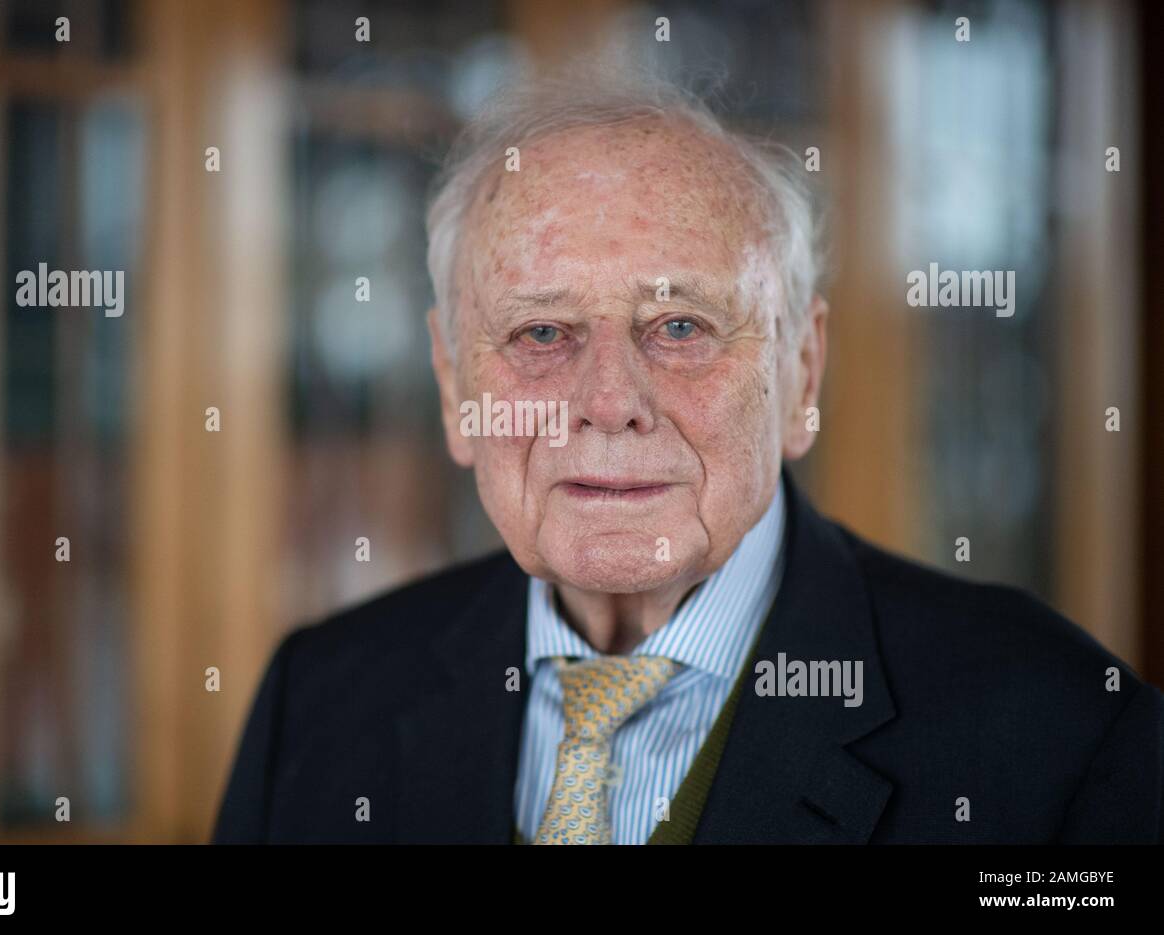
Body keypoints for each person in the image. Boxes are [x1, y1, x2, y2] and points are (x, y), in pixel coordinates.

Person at [213, 66, 1163, 844]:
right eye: (542, 332)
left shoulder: (1062, 736)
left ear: (801, 371)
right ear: (456, 388)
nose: (610, 405)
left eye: (679, 325)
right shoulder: (319, 703)